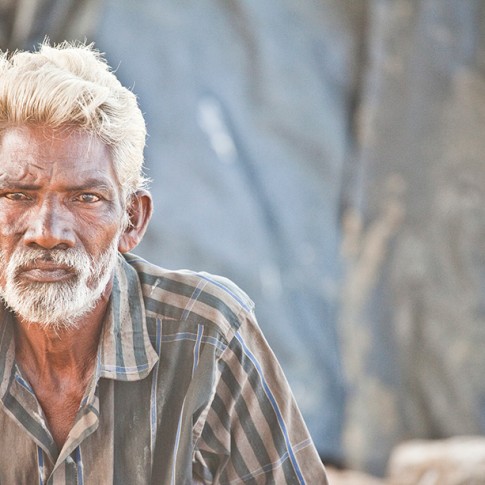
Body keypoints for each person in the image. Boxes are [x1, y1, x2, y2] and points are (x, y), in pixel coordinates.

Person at [0, 41, 328, 484]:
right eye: (18, 195)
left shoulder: (206, 335)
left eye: (85, 198)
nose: (46, 231)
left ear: (131, 220)